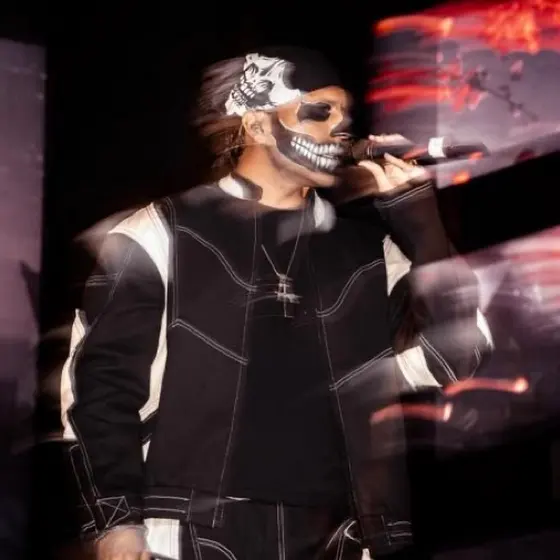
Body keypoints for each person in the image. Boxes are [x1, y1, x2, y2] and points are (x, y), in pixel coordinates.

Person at [59, 46, 492, 560]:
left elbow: (458, 353)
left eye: (344, 115)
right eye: (318, 112)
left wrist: (420, 222)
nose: (339, 129)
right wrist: (115, 519)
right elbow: (99, 389)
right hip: (194, 530)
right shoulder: (163, 232)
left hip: (337, 536)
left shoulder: (366, 253)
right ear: (258, 125)